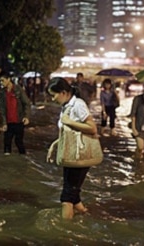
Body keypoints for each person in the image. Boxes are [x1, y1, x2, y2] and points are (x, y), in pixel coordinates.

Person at [46, 77, 98, 219]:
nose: (52, 99)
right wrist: (55, 144)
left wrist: (69, 121)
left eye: (53, 95)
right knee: (73, 195)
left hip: (80, 155)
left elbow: (92, 128)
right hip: (71, 155)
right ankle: (88, 217)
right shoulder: (67, 106)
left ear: (63, 92)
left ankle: (65, 236)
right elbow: (69, 133)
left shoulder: (78, 105)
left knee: (66, 197)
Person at [0, 74, 31, 155]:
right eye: (0, 81)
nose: (1, 83)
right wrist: (3, 123)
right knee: (7, 143)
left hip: (18, 121)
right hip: (8, 122)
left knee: (19, 142)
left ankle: (23, 160)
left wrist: (26, 117)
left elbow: (26, 103)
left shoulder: (18, 89)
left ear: (8, 79)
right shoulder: (2, 92)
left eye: (3, 80)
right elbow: (1, 109)